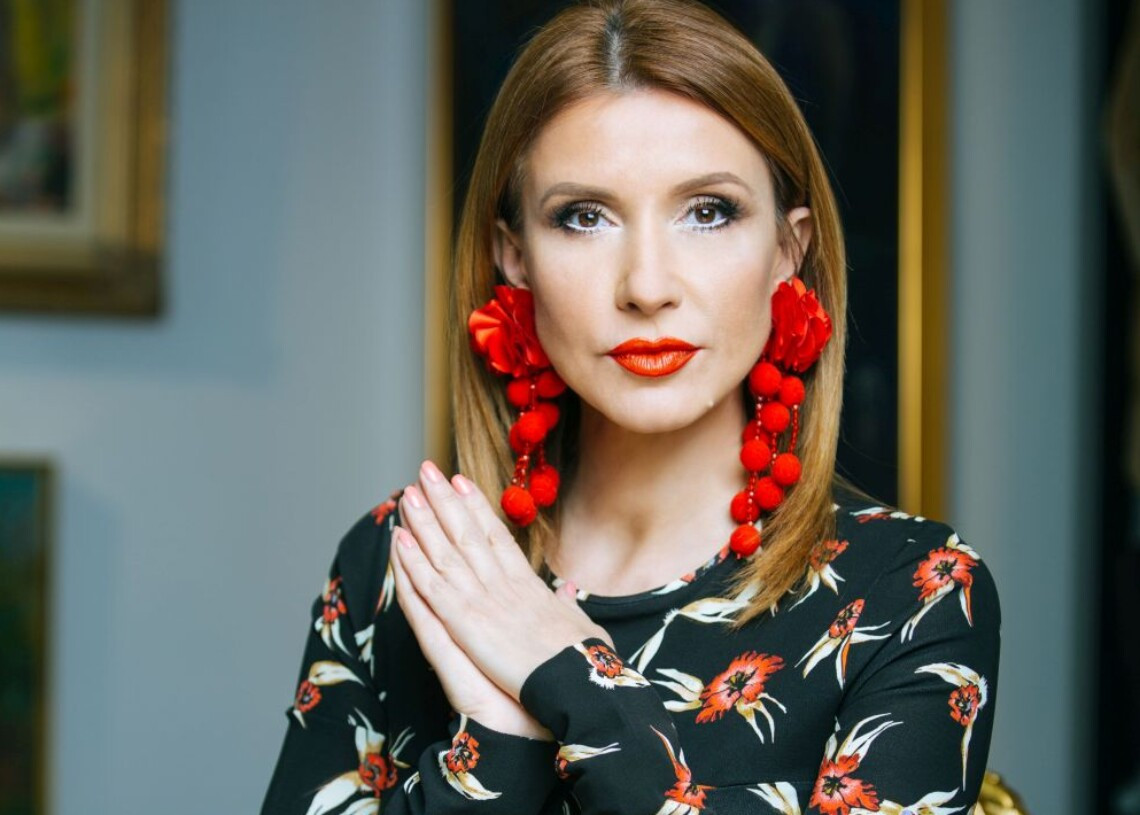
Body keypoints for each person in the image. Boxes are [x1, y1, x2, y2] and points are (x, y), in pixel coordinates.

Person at [259, 1, 1000, 813]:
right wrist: (498, 743)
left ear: (788, 250)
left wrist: (575, 680)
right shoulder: (401, 563)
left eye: (708, 211)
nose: (647, 286)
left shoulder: (912, 594)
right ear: (514, 257)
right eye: (585, 217)